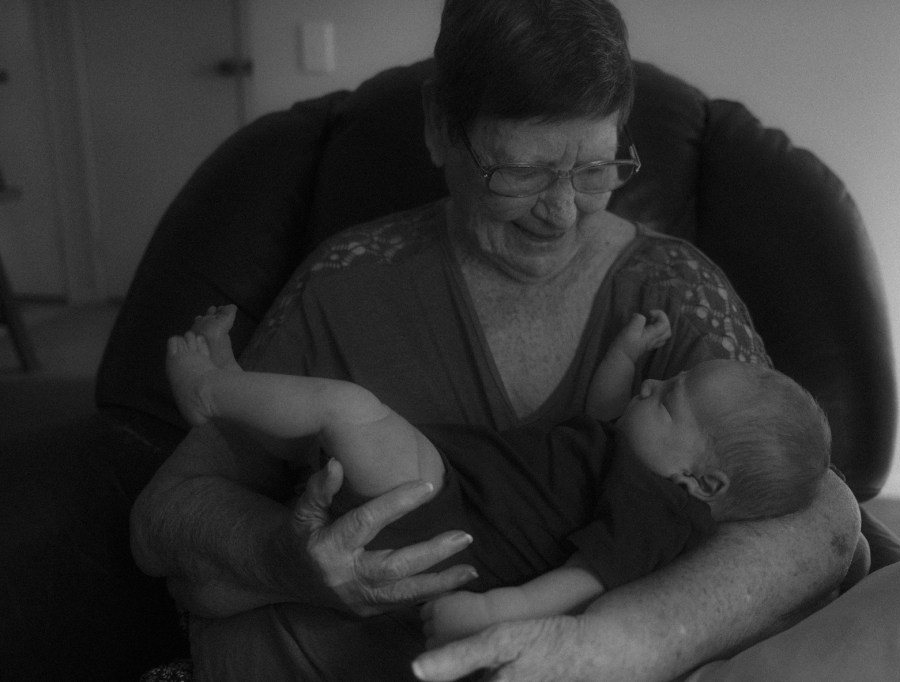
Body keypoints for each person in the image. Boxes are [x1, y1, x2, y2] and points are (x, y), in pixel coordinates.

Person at [130, 1, 861, 680]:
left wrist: (608, 644)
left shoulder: (676, 295)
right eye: (522, 171)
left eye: (595, 167)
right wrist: (283, 560)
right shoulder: (346, 284)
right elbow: (163, 518)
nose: (562, 211)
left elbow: (818, 519)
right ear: (439, 127)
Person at [165, 305, 829, 650]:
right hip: (446, 494)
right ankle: (236, 393)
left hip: (444, 522)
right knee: (317, 451)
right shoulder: (635, 454)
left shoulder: (659, 515)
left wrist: (494, 614)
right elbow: (604, 407)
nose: (653, 387)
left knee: (348, 412)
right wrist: (627, 353)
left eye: (669, 400)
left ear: (702, 484)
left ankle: (211, 392)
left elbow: (584, 579)